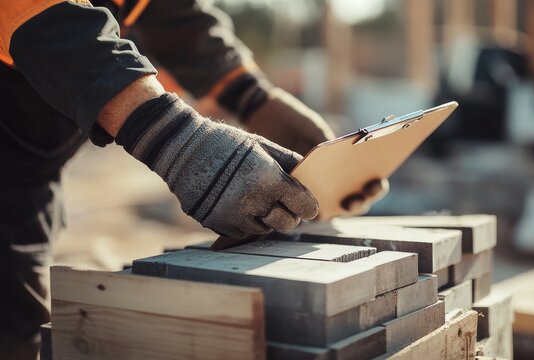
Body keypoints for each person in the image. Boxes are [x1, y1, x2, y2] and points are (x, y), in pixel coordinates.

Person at [0, 0, 388, 358]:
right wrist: (168, 135)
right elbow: (43, 14)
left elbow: (167, 14)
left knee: (19, 326)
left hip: (26, 174)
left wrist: (252, 96)